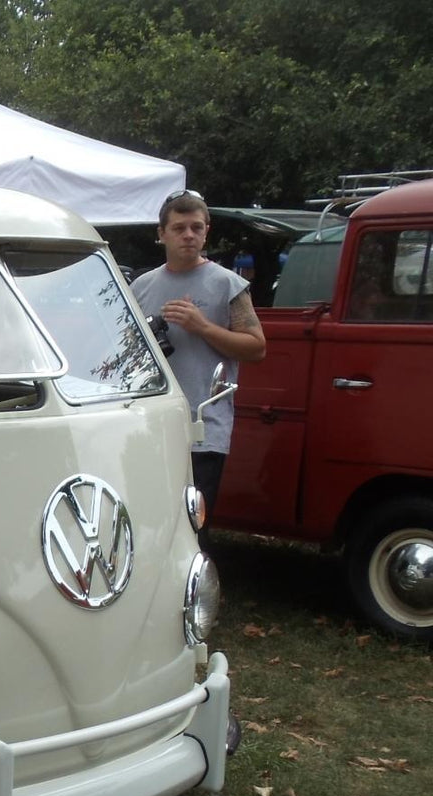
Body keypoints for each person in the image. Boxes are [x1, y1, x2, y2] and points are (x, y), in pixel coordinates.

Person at [131, 191, 266, 548]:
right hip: (151, 424)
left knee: (192, 528)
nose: (188, 235)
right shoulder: (141, 286)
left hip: (203, 427)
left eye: (196, 227)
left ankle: (190, 598)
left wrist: (202, 326)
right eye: (179, 228)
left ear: (207, 232)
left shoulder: (227, 284)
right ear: (161, 233)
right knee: (149, 521)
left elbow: (257, 348)